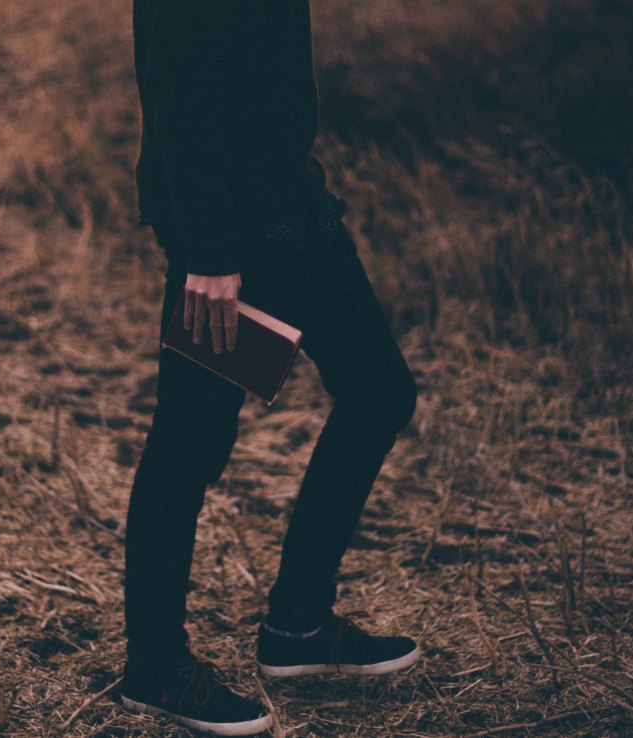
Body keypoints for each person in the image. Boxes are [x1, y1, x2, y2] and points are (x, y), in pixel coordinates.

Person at [121, 1, 421, 734]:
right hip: (237, 237)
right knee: (191, 444)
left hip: (293, 209)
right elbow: (180, 95)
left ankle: (297, 627)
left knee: (379, 391)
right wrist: (213, 254)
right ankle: (155, 666)